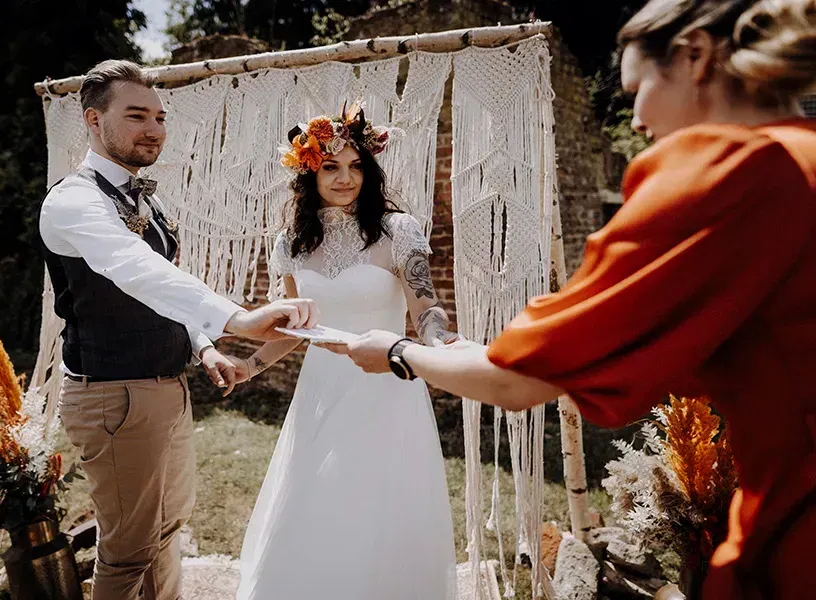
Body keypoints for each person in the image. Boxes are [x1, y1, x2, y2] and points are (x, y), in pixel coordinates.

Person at [326, 1, 816, 598]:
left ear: (695, 56)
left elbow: (517, 382)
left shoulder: (734, 171)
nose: (637, 120)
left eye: (637, 91)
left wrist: (399, 352)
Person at [38, 59, 318, 600]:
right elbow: (135, 268)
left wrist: (203, 344)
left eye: (160, 117)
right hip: (113, 394)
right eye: (136, 115)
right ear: (93, 120)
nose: (154, 129)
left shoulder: (147, 197)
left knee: (167, 531)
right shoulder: (72, 200)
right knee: (128, 550)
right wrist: (237, 319)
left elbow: (166, 287)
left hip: (168, 387)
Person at [230, 105, 458, 600]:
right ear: (309, 171)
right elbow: (294, 328)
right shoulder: (290, 243)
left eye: (356, 166)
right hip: (320, 391)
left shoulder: (398, 230)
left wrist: (437, 342)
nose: (345, 178)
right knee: (315, 501)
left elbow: (426, 307)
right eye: (331, 166)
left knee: (379, 506)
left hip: (386, 386)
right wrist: (247, 367)